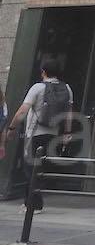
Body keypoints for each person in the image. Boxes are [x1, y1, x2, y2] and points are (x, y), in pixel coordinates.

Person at [0, 60, 74, 211]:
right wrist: (67, 133)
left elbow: (23, 111)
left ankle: (34, 205)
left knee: (30, 169)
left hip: (35, 133)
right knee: (39, 168)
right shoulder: (66, 88)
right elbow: (69, 114)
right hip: (53, 133)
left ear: (43, 72)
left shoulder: (38, 88)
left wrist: (12, 128)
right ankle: (29, 202)